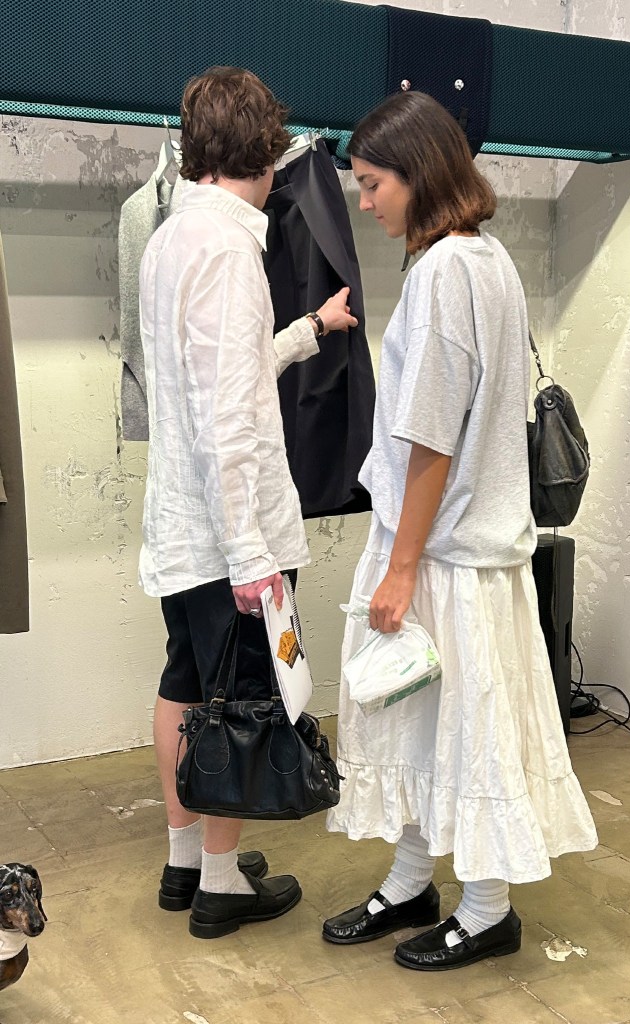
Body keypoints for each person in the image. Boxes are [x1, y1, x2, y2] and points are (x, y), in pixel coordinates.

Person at [323, 91, 598, 970]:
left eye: (373, 183)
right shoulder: (485, 258)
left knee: (461, 733)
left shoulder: (445, 271)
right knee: (426, 725)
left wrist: (399, 568)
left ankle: (486, 911)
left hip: (443, 554)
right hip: (463, 546)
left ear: (419, 174)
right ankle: (412, 882)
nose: (365, 200)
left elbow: (430, 436)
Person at [138, 66, 357, 940]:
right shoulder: (230, 250)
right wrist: (251, 556)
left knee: (185, 686)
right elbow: (229, 419)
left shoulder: (171, 236)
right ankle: (222, 887)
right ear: (264, 152)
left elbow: (215, 382)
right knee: (240, 704)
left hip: (182, 523)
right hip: (230, 532)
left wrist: (308, 332)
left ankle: (186, 861)